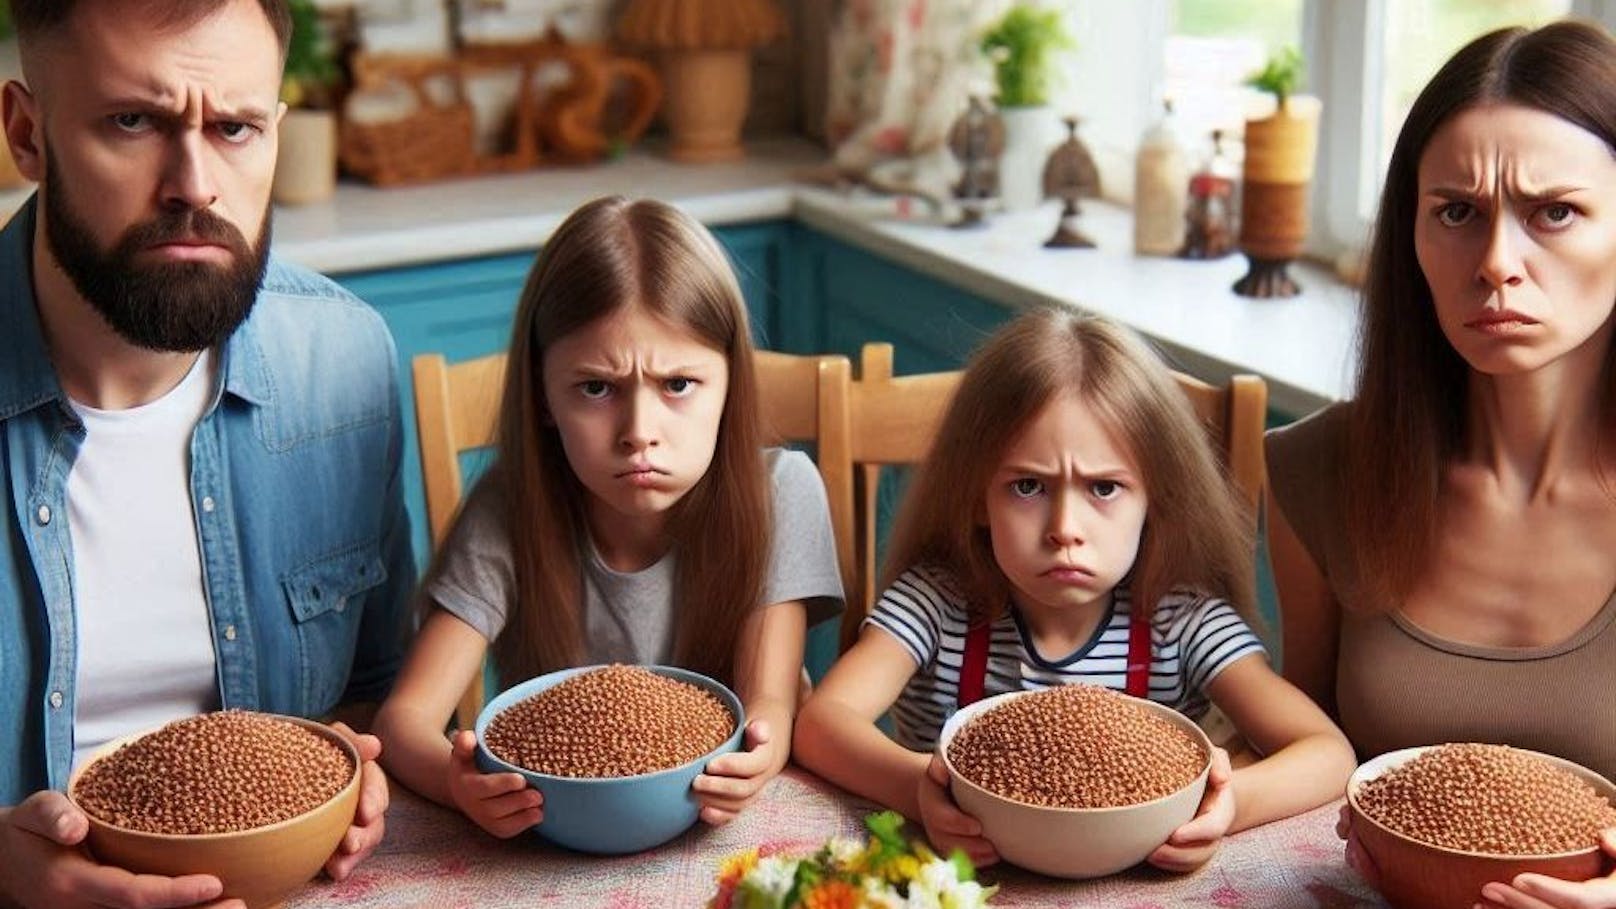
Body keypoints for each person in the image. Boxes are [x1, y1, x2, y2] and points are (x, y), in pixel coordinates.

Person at [0, 0, 417, 906]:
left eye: (235, 127)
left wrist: (351, 775)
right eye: (132, 121)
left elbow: (377, 688)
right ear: (27, 134)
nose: (195, 183)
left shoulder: (343, 367)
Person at [794, 309, 1355, 873]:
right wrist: (918, 787)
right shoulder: (936, 604)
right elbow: (821, 725)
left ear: (1154, 503)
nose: (1065, 527)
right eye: (1028, 486)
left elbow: (1327, 754)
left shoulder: (1180, 619)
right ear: (975, 498)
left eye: (1104, 487)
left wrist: (1228, 803)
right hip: (960, 877)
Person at [1264, 20, 1616, 909]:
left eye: (1556, 212)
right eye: (1456, 212)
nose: (1497, 264)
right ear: (1409, 237)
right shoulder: (1319, 472)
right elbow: (1306, 752)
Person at [372, 196, 843, 838]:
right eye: (596, 388)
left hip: (724, 827)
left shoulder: (780, 492)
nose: (639, 433)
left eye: (678, 384)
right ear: (542, 394)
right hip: (552, 836)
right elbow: (404, 721)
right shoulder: (511, 510)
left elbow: (766, 704)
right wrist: (457, 784)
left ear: (731, 383)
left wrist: (759, 753)